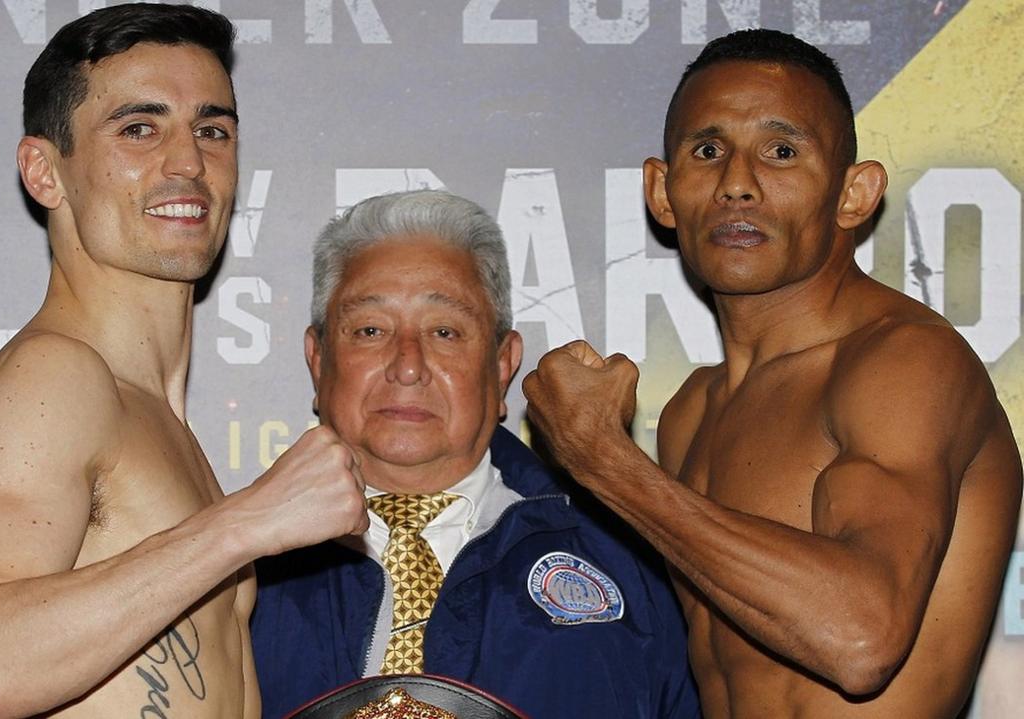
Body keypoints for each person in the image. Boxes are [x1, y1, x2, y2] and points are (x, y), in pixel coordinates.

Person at [523, 29, 1023, 717]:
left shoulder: (904, 360)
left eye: (782, 152)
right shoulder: (692, 411)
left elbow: (860, 637)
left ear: (854, 194)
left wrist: (606, 460)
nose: (736, 183)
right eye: (708, 150)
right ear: (663, 193)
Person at [0, 5, 367, 717]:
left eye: (212, 130)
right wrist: (245, 523)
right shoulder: (53, 379)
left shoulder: (158, 422)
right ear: (44, 171)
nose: (188, 162)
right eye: (139, 128)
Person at [250, 190, 700, 718]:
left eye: (445, 332)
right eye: (370, 331)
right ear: (318, 360)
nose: (408, 366)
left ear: (503, 364)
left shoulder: (632, 559)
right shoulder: (239, 568)